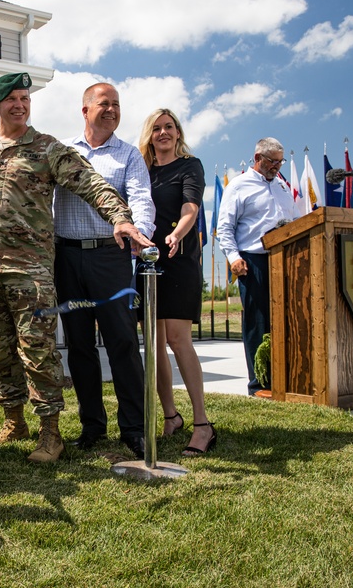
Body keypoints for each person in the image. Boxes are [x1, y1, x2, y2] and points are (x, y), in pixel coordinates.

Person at [0, 72, 148, 463]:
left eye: (25, 98)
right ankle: (14, 421)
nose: (20, 104)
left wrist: (119, 216)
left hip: (30, 271)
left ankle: (51, 433)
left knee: (38, 352)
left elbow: (90, 182)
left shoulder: (48, 148)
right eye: (12, 99)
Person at [54, 83, 155, 454]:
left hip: (111, 257)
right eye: (104, 104)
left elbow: (141, 198)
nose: (111, 110)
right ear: (85, 110)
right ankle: (92, 425)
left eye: (116, 105)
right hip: (66, 258)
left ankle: (134, 428)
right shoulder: (62, 152)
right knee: (79, 345)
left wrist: (139, 233)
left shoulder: (129, 155)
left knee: (122, 343)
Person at [138, 108, 214, 455]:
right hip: (146, 261)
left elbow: (190, 208)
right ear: (149, 135)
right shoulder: (141, 169)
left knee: (177, 338)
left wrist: (177, 234)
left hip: (178, 258)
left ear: (178, 133)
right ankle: (171, 416)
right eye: (157, 128)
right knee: (153, 342)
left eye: (169, 127)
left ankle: (202, 424)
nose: (163, 132)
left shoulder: (190, 165)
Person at [216, 137, 298, 396]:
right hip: (254, 262)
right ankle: (259, 384)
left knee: (285, 321)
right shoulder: (239, 186)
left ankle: (284, 377)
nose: (277, 166)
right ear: (257, 158)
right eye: (272, 161)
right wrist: (233, 258)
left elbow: (296, 221)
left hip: (286, 260)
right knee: (258, 323)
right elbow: (226, 227)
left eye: (280, 161)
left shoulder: (283, 186)